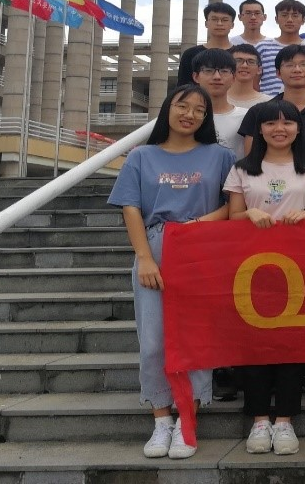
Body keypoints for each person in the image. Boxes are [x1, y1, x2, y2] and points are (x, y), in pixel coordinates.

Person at [108, 85, 236, 460]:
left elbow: (233, 205)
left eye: (199, 109)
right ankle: (161, 418)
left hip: (200, 249)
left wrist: (198, 225)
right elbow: (130, 207)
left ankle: (187, 420)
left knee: (195, 338)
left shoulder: (220, 156)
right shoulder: (141, 156)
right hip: (156, 246)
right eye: (183, 106)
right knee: (153, 340)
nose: (190, 114)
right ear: (168, 109)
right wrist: (144, 257)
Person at [224, 99, 305, 456]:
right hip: (252, 267)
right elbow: (232, 217)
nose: (279, 129)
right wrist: (250, 214)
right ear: (260, 129)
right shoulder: (242, 169)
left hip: (300, 266)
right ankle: (259, 419)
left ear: (299, 128)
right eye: (270, 123)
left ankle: (284, 419)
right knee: (254, 342)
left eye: (287, 123)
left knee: (291, 343)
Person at [190, 48, 247, 153]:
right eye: (208, 70)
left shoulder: (246, 117)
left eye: (224, 71)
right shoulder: (185, 117)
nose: (217, 77)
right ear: (196, 76)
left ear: (234, 78)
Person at [177, 2, 236, 88]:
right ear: (206, 23)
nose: (219, 23)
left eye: (225, 20)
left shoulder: (240, 55)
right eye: (214, 19)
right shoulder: (190, 54)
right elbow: (183, 87)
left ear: (232, 25)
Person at [256, 0, 305, 96]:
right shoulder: (262, 47)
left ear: (303, 20)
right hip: (268, 102)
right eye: (284, 15)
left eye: (295, 15)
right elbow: (253, 82)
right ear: (276, 19)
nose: (289, 20)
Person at [228, 44, 271, 109]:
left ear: (259, 70)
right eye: (238, 61)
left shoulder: (268, 103)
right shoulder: (216, 99)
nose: (244, 65)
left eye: (251, 62)